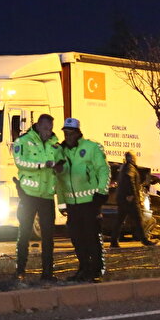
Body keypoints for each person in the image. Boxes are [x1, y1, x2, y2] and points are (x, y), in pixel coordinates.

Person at [55, 117, 110, 282]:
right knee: (77, 238)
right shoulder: (61, 151)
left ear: (78, 133)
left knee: (92, 237)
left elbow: (103, 170)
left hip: (90, 202)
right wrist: (62, 202)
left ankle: (97, 269)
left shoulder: (91, 147)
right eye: (65, 132)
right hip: (72, 204)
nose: (68, 136)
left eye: (71, 133)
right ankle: (84, 268)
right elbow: (60, 178)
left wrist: (102, 192)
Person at [12, 113, 63, 284]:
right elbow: (20, 163)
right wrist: (42, 165)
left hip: (47, 195)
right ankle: (20, 270)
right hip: (29, 195)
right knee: (25, 232)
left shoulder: (55, 145)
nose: (48, 132)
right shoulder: (23, 141)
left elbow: (61, 163)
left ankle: (47, 272)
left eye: (50, 129)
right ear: (38, 126)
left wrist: (59, 167)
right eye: (46, 128)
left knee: (48, 235)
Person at [110, 151, 155, 248]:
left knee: (119, 220)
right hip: (130, 199)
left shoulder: (124, 167)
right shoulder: (130, 168)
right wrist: (131, 194)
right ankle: (144, 240)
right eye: (134, 157)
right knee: (138, 220)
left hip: (122, 198)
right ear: (132, 158)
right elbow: (129, 180)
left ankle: (113, 241)